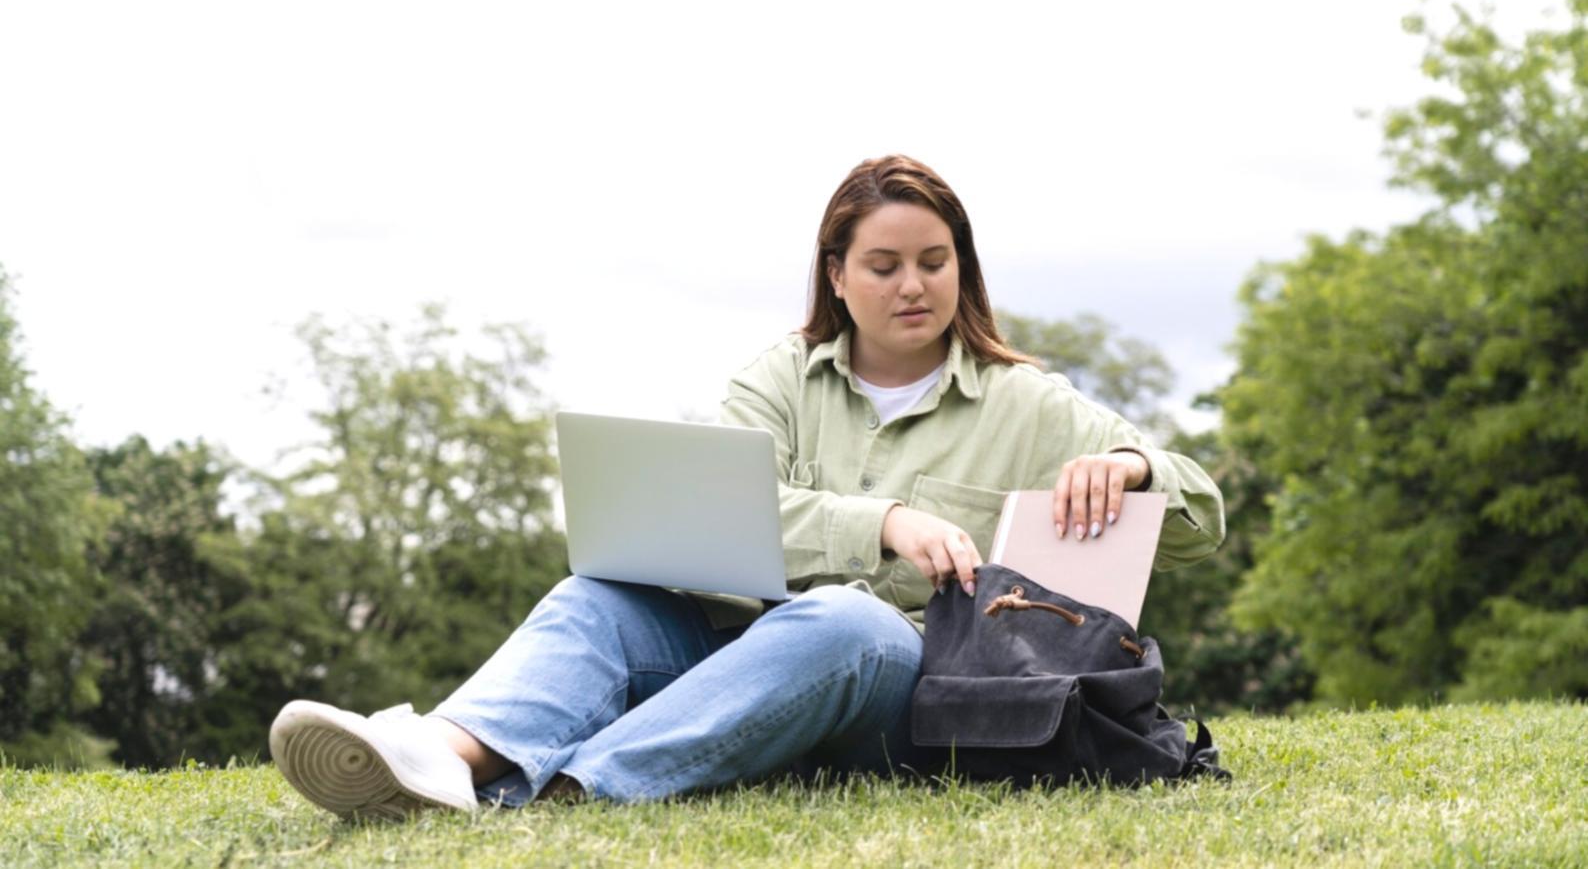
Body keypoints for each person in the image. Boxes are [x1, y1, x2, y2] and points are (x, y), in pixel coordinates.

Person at [268, 154, 1225, 816]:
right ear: (838, 276)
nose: (913, 287)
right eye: (884, 266)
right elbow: (723, 518)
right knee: (599, 592)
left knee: (843, 622)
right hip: (745, 654)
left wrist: (1136, 466)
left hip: (915, 694)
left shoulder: (1032, 403)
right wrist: (880, 521)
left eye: (935, 263)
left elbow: (1201, 519)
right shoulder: (775, 380)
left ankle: (565, 791)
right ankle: (441, 756)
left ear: (961, 271)